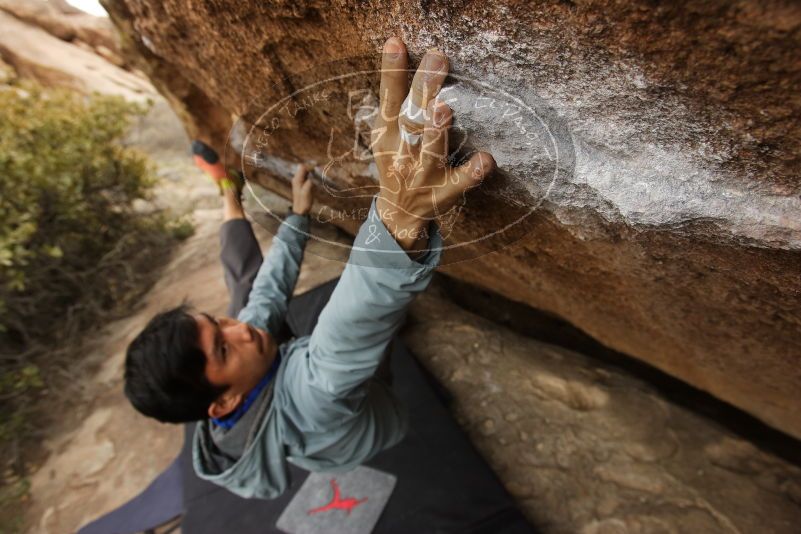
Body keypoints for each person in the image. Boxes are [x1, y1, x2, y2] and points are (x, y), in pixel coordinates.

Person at [123, 37, 495, 499]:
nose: (238, 331)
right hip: (368, 421)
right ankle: (226, 192)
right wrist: (396, 223)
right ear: (224, 403)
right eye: (222, 349)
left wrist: (297, 217)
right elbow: (346, 335)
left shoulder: (240, 355)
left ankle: (226, 190)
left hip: (289, 384)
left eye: (215, 323)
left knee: (247, 291)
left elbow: (266, 295)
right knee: (328, 344)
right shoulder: (310, 403)